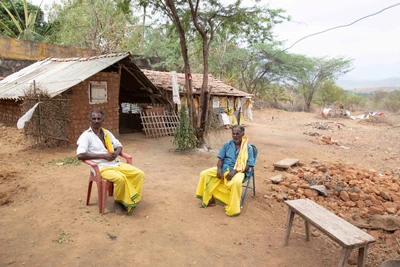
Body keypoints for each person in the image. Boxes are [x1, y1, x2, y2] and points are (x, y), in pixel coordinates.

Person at [77, 109, 144, 215]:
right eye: (94, 118)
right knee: (120, 179)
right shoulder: (86, 136)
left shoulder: (107, 133)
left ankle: (129, 198)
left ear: (102, 120)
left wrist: (115, 154)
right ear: (90, 120)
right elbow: (80, 155)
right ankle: (118, 202)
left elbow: (119, 145)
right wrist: (103, 155)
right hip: (100, 167)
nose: (96, 121)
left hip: (115, 163)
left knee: (139, 174)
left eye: (99, 118)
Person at [196, 125, 254, 217]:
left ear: (243, 134)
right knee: (204, 173)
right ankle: (209, 199)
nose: (235, 136)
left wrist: (235, 171)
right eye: (233, 134)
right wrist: (219, 169)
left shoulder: (248, 148)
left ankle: (233, 208)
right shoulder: (227, 144)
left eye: (237, 134)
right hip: (224, 167)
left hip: (240, 171)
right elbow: (220, 160)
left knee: (237, 182)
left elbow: (249, 165)